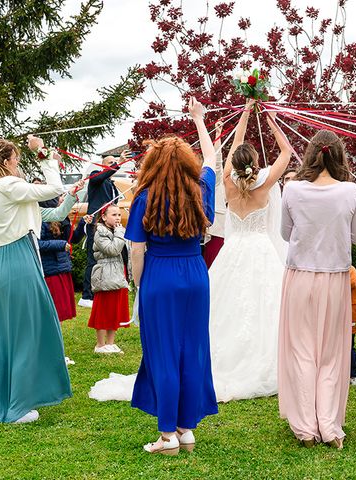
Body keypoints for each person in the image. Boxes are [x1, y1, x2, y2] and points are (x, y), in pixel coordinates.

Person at [125, 97, 218, 455]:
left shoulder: (144, 197)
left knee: (163, 353)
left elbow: (136, 249)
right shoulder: (201, 191)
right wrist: (199, 120)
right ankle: (186, 428)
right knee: (192, 350)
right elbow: (210, 159)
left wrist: (139, 284)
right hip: (196, 274)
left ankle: (167, 437)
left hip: (160, 275)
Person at [0, 136, 73, 423]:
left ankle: (4, 401)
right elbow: (54, 188)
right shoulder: (9, 185)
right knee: (26, 331)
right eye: (15, 159)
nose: (18, 164)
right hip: (18, 257)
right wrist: (44, 154)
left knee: (1, 334)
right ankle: (17, 407)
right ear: (4, 161)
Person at [278, 129, 356, 449]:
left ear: (311, 155)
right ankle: (328, 426)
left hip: (300, 277)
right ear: (339, 156)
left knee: (301, 351)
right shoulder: (351, 191)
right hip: (335, 279)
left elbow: (286, 233)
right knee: (330, 353)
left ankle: (304, 427)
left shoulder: (292, 189)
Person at [208, 100, 291, 402]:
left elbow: (233, 150)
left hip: (233, 251)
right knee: (264, 306)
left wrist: (244, 114)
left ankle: (223, 357)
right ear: (256, 163)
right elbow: (287, 153)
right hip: (260, 250)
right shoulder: (265, 184)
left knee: (227, 305)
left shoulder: (230, 184)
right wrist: (269, 118)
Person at [80, 154, 123, 308]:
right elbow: (101, 176)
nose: (113, 165)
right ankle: (87, 296)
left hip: (107, 223)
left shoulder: (111, 184)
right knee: (93, 258)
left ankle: (101, 289)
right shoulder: (95, 176)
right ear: (104, 165)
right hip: (96, 223)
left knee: (106, 256)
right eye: (110, 163)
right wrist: (118, 163)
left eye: (114, 163)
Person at [39, 191, 89, 322]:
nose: (62, 199)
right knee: (52, 312)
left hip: (61, 267)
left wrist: (83, 223)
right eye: (59, 197)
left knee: (59, 313)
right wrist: (60, 245)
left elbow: (72, 239)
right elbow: (37, 244)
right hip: (50, 270)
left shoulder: (61, 218)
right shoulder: (40, 220)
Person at [88, 204, 130, 353]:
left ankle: (110, 343)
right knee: (103, 309)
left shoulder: (117, 231)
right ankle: (100, 344)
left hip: (118, 273)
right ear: (104, 217)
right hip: (105, 274)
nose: (118, 218)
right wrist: (119, 233)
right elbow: (112, 250)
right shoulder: (100, 232)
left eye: (119, 214)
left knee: (115, 309)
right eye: (113, 215)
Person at [202, 120, 227, 268]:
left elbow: (217, 164)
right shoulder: (215, 186)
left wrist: (218, 135)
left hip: (224, 236)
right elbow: (216, 165)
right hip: (214, 235)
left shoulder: (217, 185)